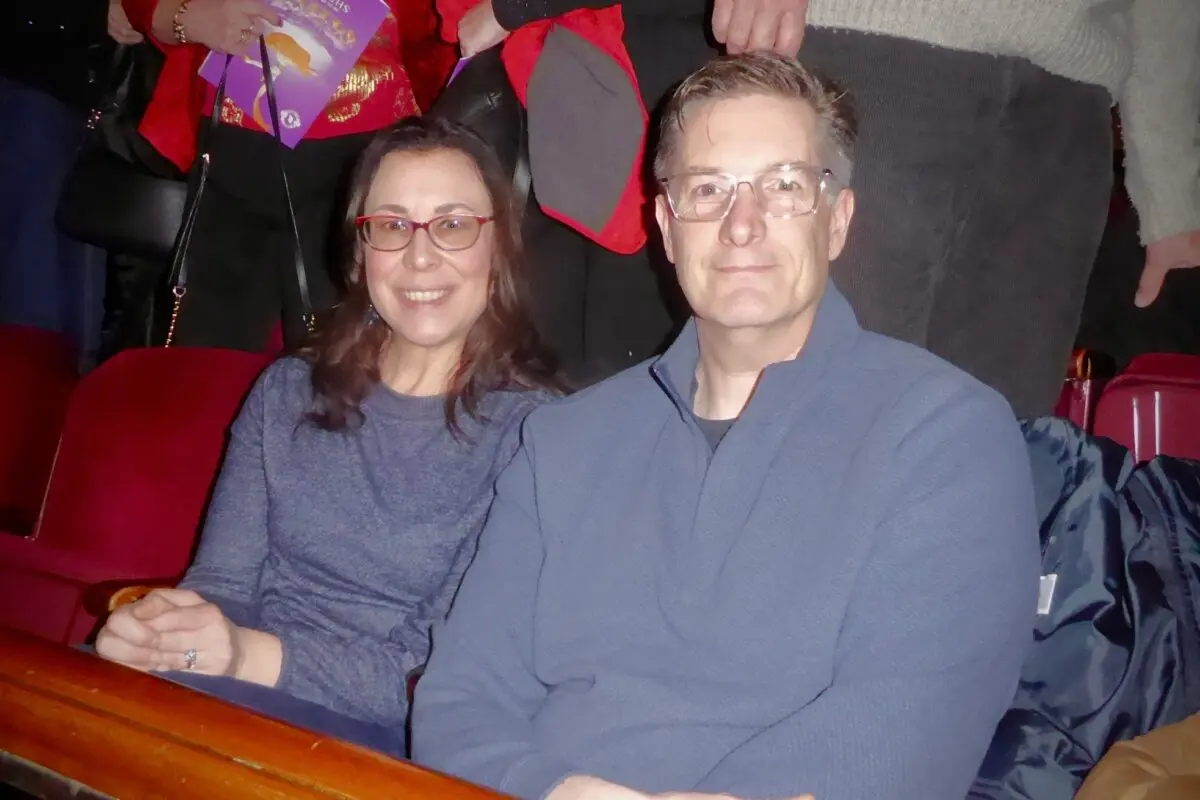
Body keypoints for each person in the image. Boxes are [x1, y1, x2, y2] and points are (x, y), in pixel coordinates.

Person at [412, 53, 1041, 799]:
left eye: (783, 187)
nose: (742, 226)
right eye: (707, 191)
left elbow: (901, 739)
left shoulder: (947, 436)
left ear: (837, 221)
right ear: (667, 228)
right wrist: (558, 791)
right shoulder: (562, 444)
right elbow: (457, 706)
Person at [93, 116, 560, 754]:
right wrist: (163, 635)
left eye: (452, 225)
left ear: (498, 245)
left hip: (388, 740)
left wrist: (242, 658)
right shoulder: (287, 391)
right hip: (236, 689)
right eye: (392, 226)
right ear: (360, 250)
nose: (420, 256)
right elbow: (224, 587)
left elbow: (438, 680)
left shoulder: (541, 437)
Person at [114, 0, 433, 351]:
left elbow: (439, 27)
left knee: (353, 366)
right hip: (235, 138)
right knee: (208, 367)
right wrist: (183, 16)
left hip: (367, 153)